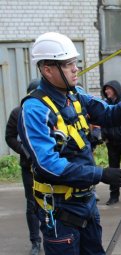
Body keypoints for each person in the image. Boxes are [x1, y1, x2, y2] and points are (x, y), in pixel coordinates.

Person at [17, 32, 121, 255]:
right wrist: (100, 173)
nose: (75, 68)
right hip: (60, 211)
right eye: (67, 64)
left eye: (75, 62)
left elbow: (109, 115)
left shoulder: (76, 95)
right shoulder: (35, 109)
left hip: (86, 203)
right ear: (47, 69)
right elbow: (47, 165)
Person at [5, 79, 41, 255]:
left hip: (50, 168)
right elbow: (9, 137)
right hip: (29, 168)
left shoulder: (49, 112)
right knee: (32, 204)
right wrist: (26, 152)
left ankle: (54, 237)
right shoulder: (17, 113)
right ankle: (35, 241)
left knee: (54, 203)